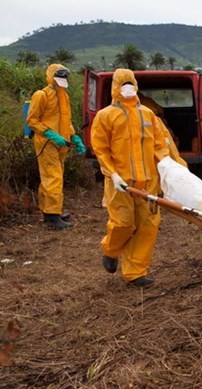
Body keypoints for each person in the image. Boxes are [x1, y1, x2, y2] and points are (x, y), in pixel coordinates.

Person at [91, 69, 169, 288]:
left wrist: (166, 167)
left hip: (148, 182)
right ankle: (110, 250)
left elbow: (159, 145)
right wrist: (113, 174)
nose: (127, 87)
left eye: (130, 83)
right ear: (116, 86)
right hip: (120, 183)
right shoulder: (105, 116)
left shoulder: (148, 114)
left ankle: (135, 272)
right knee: (124, 223)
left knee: (148, 226)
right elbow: (101, 149)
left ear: (136, 85)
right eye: (122, 83)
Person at [26, 64, 86, 230]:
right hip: (47, 143)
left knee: (53, 177)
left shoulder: (63, 96)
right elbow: (32, 120)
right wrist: (51, 134)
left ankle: (51, 211)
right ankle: (52, 216)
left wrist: (74, 136)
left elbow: (65, 120)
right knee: (53, 177)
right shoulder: (42, 95)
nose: (62, 80)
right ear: (51, 76)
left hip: (61, 144)